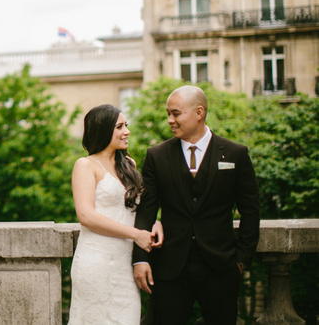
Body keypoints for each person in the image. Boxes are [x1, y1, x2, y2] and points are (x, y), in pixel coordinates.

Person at [133, 85, 260, 325]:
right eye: (168, 113)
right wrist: (140, 259)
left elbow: (251, 209)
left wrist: (242, 259)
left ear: (199, 112)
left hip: (221, 268)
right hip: (169, 269)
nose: (170, 120)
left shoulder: (235, 154)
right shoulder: (156, 156)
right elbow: (146, 211)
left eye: (176, 113)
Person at [69, 104, 162, 324]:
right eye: (119, 126)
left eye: (126, 125)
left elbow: (132, 208)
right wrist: (135, 234)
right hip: (96, 262)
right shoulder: (85, 165)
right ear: (102, 130)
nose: (127, 131)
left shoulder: (128, 165)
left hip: (124, 265)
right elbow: (86, 216)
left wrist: (154, 223)